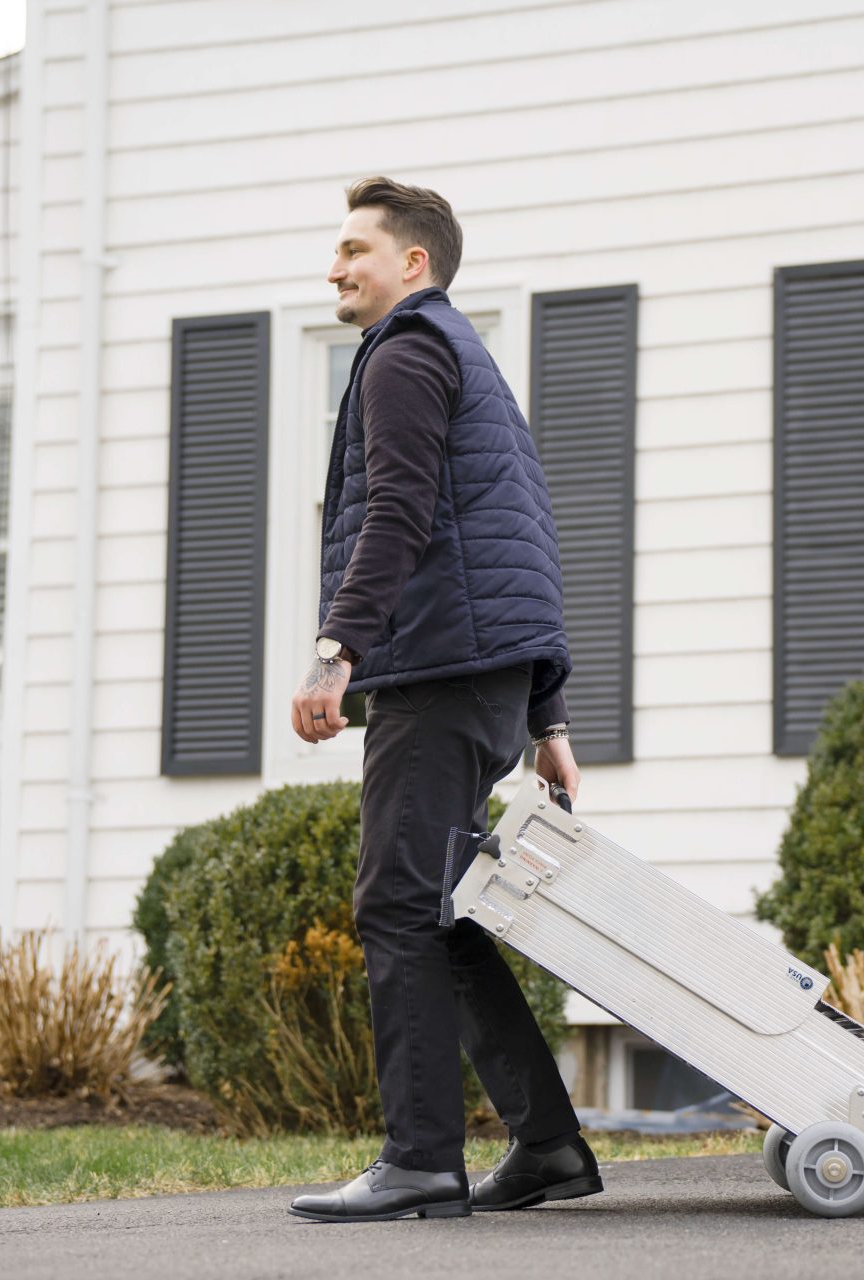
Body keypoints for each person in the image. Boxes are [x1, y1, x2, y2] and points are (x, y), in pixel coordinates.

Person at [286, 176, 601, 1224]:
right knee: (442, 908)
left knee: (394, 905)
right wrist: (546, 717)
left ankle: (420, 1158)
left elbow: (401, 515)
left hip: (439, 671)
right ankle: (548, 1144)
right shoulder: (467, 357)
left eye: (353, 249)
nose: (335, 266)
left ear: (411, 262)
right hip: (483, 675)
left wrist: (337, 651)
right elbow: (522, 539)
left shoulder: (408, 352)